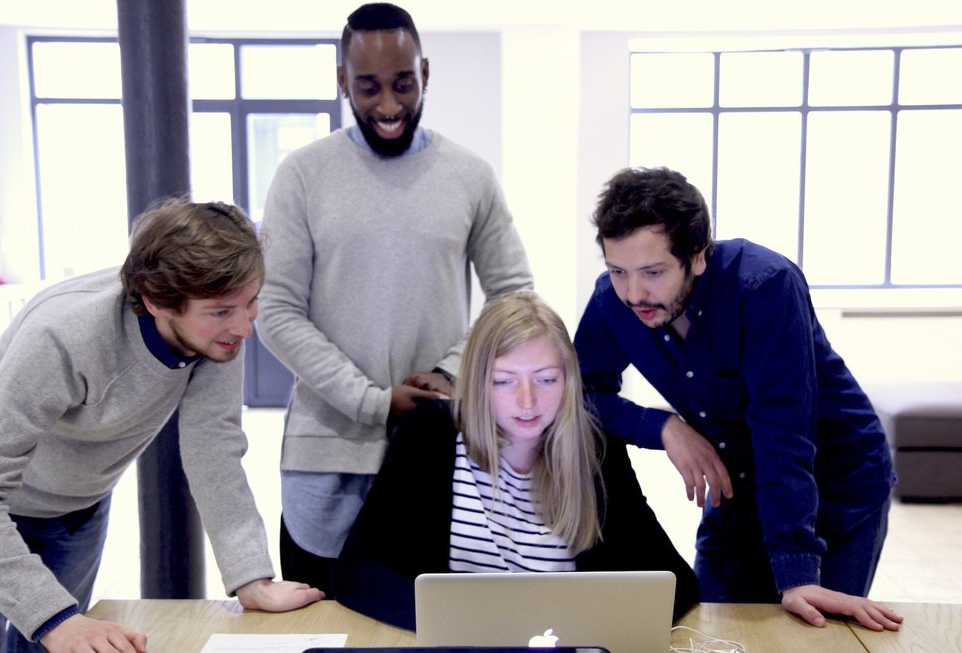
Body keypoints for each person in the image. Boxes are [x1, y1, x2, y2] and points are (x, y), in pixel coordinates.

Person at [257, 1, 533, 596]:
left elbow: (514, 297)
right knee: (322, 632)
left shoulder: (470, 175)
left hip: (437, 445)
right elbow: (275, 313)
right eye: (369, 86)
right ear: (342, 83)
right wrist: (373, 402)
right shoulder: (302, 175)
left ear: (425, 75)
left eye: (403, 84)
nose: (387, 105)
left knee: (424, 630)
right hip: (325, 457)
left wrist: (449, 373)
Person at [0, 199, 324, 653]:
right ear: (157, 301)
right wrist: (55, 619)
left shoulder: (215, 337)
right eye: (222, 310)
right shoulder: (62, 335)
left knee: (54, 646)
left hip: (77, 506)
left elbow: (214, 450)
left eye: (252, 302)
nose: (244, 327)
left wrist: (250, 577)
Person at [574, 166, 903, 632]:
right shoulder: (613, 301)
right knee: (711, 631)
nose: (634, 293)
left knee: (813, 635)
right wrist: (666, 428)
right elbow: (579, 394)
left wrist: (796, 572)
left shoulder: (765, 286)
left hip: (836, 480)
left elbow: (784, 435)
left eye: (652, 272)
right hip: (736, 482)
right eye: (617, 271)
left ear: (698, 255)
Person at [331, 292, 699, 630]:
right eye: (505, 381)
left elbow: (675, 585)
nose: (527, 401)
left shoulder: (595, 450)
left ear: (569, 382)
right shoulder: (429, 435)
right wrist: (461, 628)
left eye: (546, 380)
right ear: (478, 383)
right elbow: (356, 573)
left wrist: (586, 627)